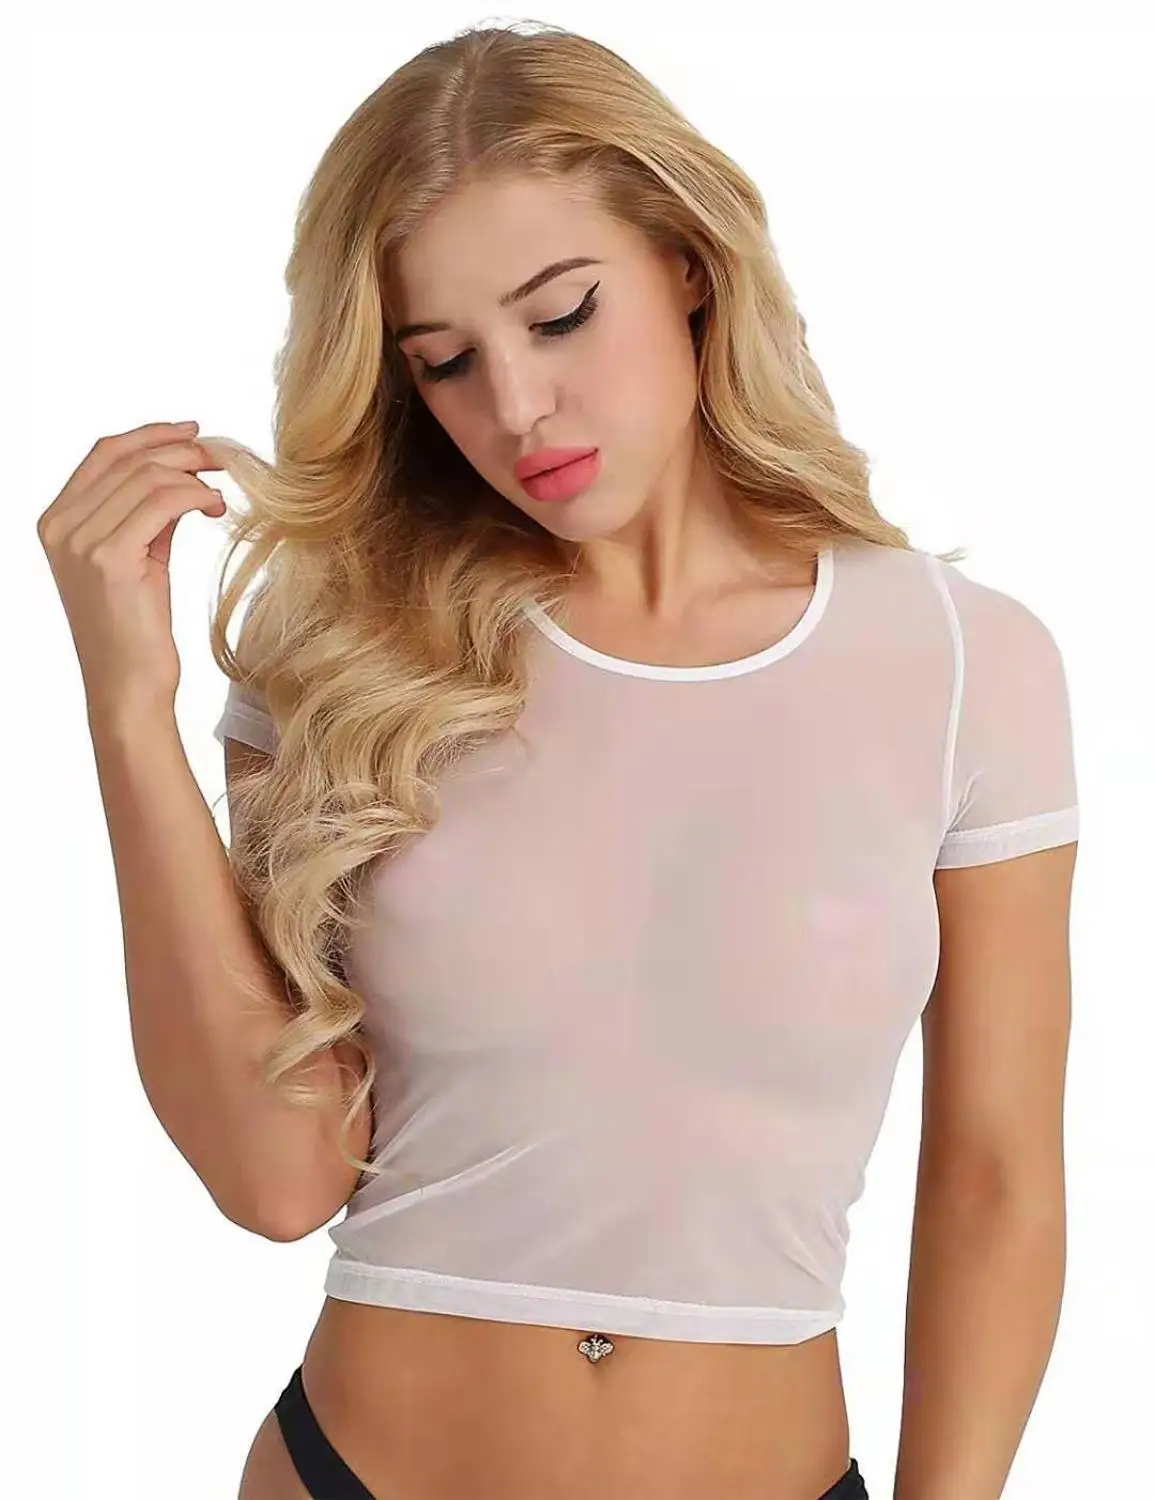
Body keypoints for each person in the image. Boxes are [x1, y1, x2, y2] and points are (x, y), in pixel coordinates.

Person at [39, 21, 1078, 1500]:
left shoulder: (967, 664)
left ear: (688, 261)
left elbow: (995, 1180)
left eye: (562, 315)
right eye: (447, 362)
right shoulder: (349, 649)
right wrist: (128, 710)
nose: (515, 407)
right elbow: (275, 1179)